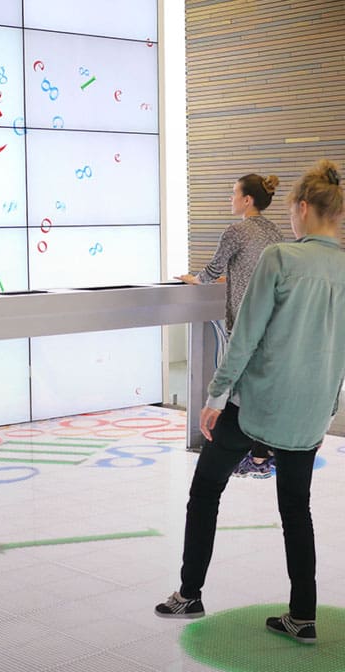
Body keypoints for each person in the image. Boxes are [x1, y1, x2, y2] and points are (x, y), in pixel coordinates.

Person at [155, 159, 345, 645]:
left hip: (255, 406)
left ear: (302, 208)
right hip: (309, 411)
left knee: (205, 492)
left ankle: (189, 593)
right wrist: (329, 404)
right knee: (295, 511)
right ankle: (302, 615)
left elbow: (245, 339)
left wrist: (216, 396)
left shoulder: (281, 258)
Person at [176, 173, 284, 479]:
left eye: (233, 193)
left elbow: (212, 269)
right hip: (272, 321)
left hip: (245, 321)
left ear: (247, 200)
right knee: (260, 388)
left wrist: (194, 279)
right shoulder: (274, 232)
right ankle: (264, 452)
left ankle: (256, 457)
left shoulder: (236, 231)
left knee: (238, 388)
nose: (230, 199)